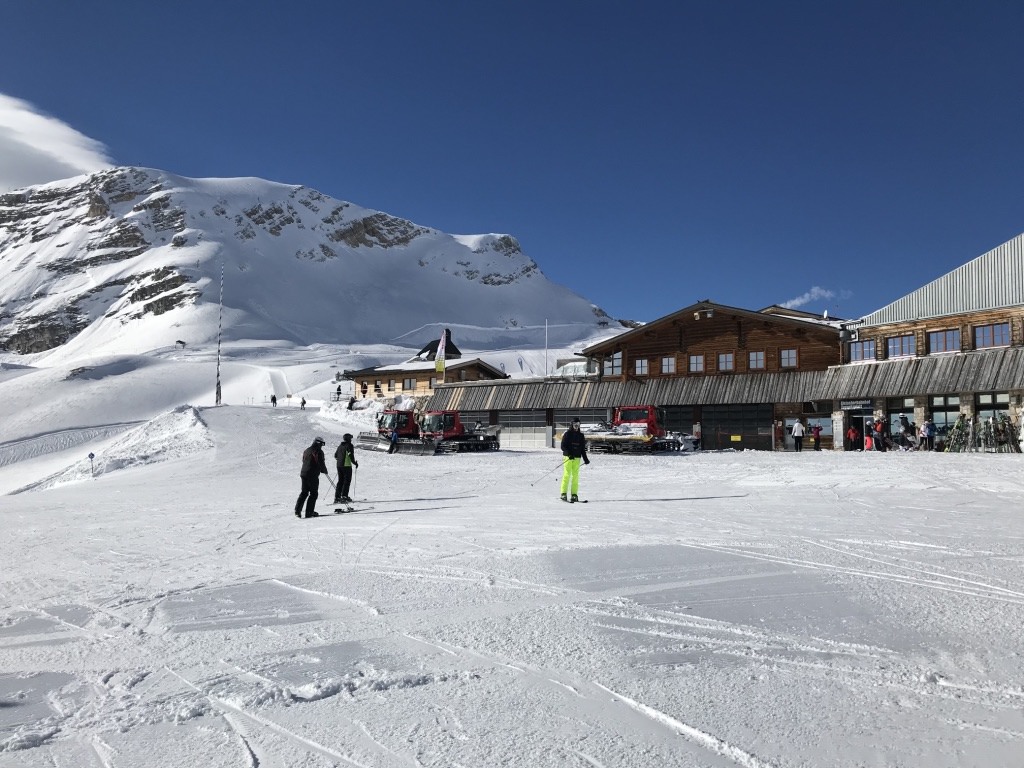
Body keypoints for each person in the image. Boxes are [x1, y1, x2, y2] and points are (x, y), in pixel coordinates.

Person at [295, 436, 328, 518]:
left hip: (304, 473)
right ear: (319, 443)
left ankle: (297, 511)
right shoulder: (318, 451)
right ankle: (309, 512)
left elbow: (304, 460)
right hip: (312, 474)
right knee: (313, 493)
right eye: (322, 444)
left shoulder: (307, 450)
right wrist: (324, 470)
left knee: (304, 492)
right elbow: (320, 462)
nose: (321, 446)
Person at [559, 418, 590, 502]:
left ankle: (574, 494)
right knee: (567, 474)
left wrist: (585, 459)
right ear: (572, 425)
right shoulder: (567, 434)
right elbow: (563, 446)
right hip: (568, 458)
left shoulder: (581, 436)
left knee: (575, 476)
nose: (576, 427)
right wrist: (569, 453)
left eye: (578, 425)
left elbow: (582, 449)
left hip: (577, 458)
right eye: (575, 425)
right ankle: (563, 493)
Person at [333, 434, 359, 503]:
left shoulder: (340, 446)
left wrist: (340, 460)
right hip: (346, 465)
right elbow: (351, 455)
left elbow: (335, 456)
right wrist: (355, 463)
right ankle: (344, 496)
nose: (351, 440)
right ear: (348, 439)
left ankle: (337, 497)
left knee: (340, 481)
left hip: (339, 465)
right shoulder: (349, 445)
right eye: (350, 438)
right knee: (346, 481)